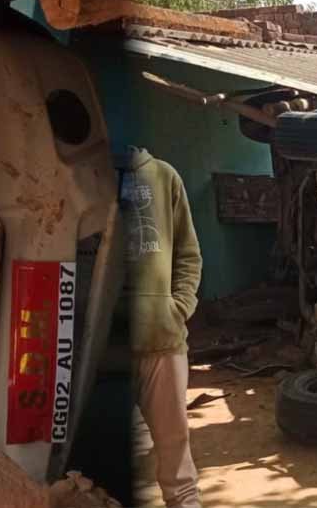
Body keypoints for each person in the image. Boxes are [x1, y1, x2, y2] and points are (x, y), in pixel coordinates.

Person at [115, 146, 203, 508]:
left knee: (175, 453)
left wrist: (177, 308)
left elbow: (188, 254)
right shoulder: (81, 177)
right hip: (101, 349)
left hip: (161, 342)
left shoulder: (164, 176)